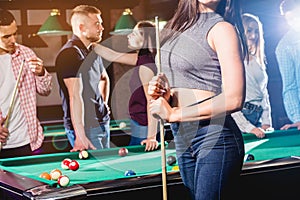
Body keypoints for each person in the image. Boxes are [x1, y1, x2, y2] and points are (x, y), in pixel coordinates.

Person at [147, 0, 247, 199]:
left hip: (214, 134)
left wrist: (174, 113)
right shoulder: (173, 28)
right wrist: (164, 94)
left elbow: (235, 98)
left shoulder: (222, 29)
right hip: (182, 135)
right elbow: (181, 82)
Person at [94, 20, 159, 151]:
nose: (129, 36)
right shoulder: (141, 57)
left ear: (145, 40)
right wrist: (91, 44)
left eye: (134, 34)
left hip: (144, 126)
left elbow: (152, 102)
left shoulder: (146, 66)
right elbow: (113, 56)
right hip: (139, 123)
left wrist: (151, 137)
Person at [55, 5, 110, 152]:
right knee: (98, 174)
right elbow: (75, 96)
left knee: (109, 172)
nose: (102, 28)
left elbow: (104, 78)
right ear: (81, 27)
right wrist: (80, 135)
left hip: (102, 122)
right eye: (97, 24)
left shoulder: (93, 50)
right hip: (86, 129)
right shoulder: (69, 54)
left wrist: (103, 103)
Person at [0, 9, 52, 159]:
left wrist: (41, 73)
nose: (13, 40)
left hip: (27, 141)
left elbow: (45, 90)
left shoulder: (26, 54)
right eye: (6, 37)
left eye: (15, 33)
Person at [231, 13, 272, 139]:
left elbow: (264, 94)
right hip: (241, 118)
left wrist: (266, 122)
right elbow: (230, 100)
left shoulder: (258, 60)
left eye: (256, 31)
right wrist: (248, 127)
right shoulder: (233, 60)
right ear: (240, 32)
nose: (253, 36)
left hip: (258, 117)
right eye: (249, 31)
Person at [275, 0, 300, 130]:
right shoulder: (284, 47)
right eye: (289, 19)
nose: (294, 21)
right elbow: (290, 87)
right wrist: (298, 118)